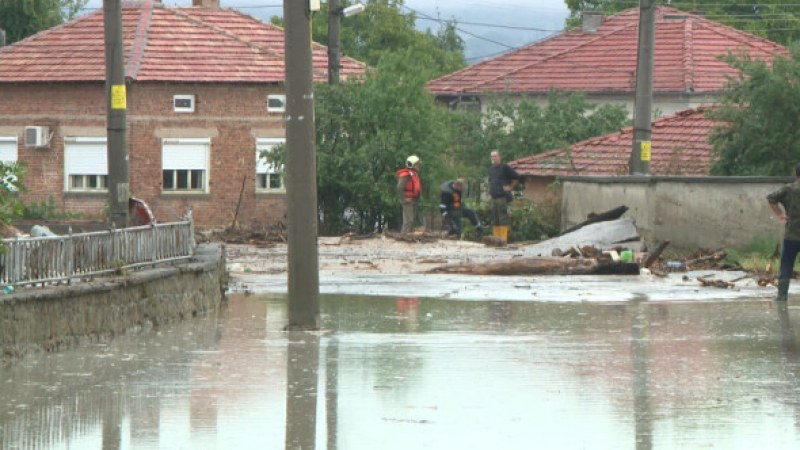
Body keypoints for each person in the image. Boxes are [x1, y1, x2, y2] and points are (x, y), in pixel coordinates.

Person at [768, 163, 800, 301]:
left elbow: (771, 198)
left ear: (796, 174)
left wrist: (780, 214)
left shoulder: (788, 189)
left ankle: (782, 296)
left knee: (786, 264)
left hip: (791, 235)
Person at [488, 150, 521, 242]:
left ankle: (503, 240)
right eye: (492, 156)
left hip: (502, 197)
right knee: (495, 219)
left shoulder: (505, 167)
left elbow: (517, 177)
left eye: (495, 156)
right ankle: (496, 239)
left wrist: (510, 187)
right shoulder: (491, 169)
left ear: (499, 157)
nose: (493, 158)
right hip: (494, 197)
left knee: (502, 218)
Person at [397, 155, 422, 233]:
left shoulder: (413, 174)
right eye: (417, 164)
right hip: (408, 200)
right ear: (412, 164)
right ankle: (404, 236)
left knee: (412, 220)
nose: (419, 166)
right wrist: (404, 199)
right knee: (408, 221)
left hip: (413, 199)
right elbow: (399, 187)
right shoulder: (406, 174)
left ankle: (409, 236)